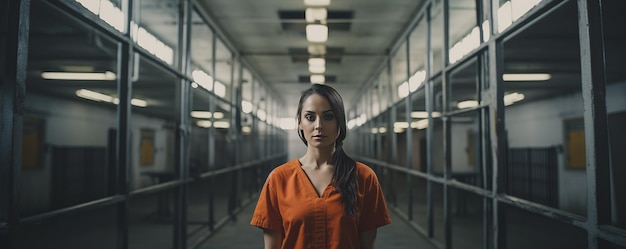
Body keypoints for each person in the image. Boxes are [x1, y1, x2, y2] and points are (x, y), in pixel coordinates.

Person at [250, 84, 391, 249]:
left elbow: (367, 245)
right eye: (310, 117)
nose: (319, 125)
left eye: (328, 117)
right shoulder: (279, 179)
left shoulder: (364, 177)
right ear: (300, 123)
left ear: (340, 123)